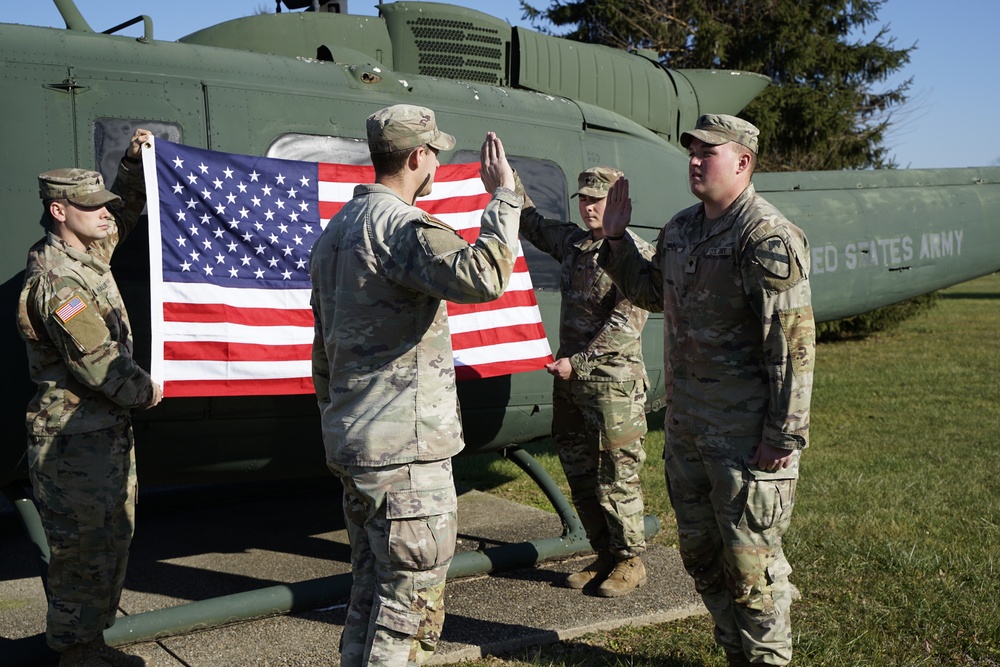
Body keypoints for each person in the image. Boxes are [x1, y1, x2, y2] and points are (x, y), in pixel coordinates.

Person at [598, 114, 815, 666]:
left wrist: (783, 435)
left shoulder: (765, 237)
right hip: (689, 431)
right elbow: (651, 293)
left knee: (753, 570)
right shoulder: (681, 228)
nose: (694, 159)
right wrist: (617, 240)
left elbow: (791, 346)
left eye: (708, 152)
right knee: (701, 557)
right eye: (691, 150)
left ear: (743, 161)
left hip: (747, 441)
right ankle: (735, 654)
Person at [309, 104, 522, 666]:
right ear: (415, 156)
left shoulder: (336, 231)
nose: (435, 165)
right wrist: (504, 197)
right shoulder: (401, 226)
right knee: (408, 617)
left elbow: (322, 352)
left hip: (359, 447)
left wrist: (341, 421)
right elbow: (487, 276)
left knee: (369, 599)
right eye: (434, 154)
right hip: (407, 456)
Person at [17, 130, 164, 667]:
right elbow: (99, 363)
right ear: (60, 210)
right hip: (73, 443)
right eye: (92, 207)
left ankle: (92, 644)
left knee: (109, 545)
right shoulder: (59, 283)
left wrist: (130, 165)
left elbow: (121, 221)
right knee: (81, 553)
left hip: (100, 434)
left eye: (105, 205)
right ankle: (75, 654)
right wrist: (147, 391)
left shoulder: (86, 253)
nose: (106, 215)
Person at [516, 166, 654, 597]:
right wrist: (507, 184)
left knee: (618, 475)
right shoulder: (575, 244)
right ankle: (606, 553)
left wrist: (578, 361)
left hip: (614, 384)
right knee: (580, 471)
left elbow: (624, 324)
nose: (590, 206)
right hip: (572, 382)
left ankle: (631, 561)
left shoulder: (635, 254)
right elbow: (532, 224)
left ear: (619, 204)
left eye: (600, 199)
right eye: (584, 198)